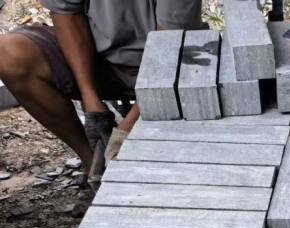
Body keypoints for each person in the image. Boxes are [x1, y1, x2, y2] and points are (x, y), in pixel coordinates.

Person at [0, 1, 202, 182]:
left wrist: (127, 128)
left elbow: (170, 43)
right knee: (9, 54)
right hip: (98, 57)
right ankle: (93, 164)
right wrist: (91, 102)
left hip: (175, 62)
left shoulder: (169, 50)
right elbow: (66, 13)